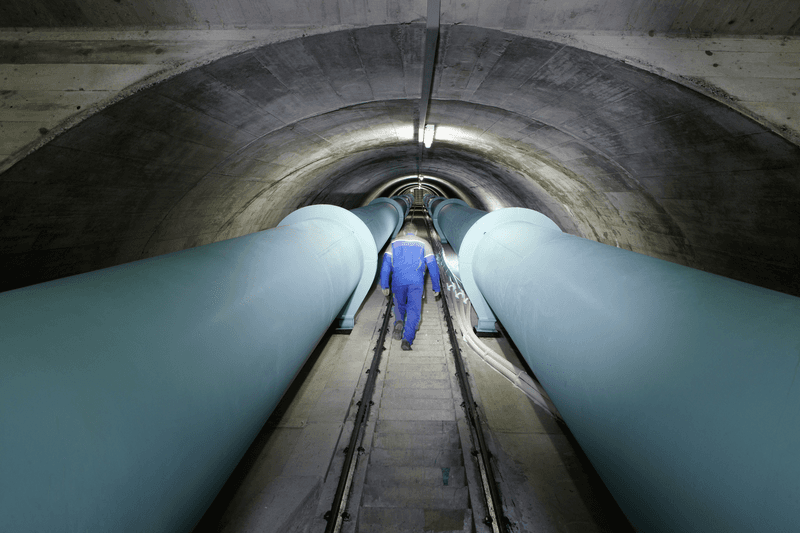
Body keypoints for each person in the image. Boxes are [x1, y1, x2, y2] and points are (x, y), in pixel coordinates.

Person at [379, 223, 441, 351]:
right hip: (416, 282)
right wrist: (436, 287)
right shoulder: (424, 243)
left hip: (398, 281)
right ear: (416, 232)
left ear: (403, 232)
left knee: (399, 304)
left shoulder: (393, 243)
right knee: (414, 310)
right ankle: (407, 340)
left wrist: (384, 284)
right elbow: (433, 267)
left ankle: (399, 322)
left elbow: (385, 266)